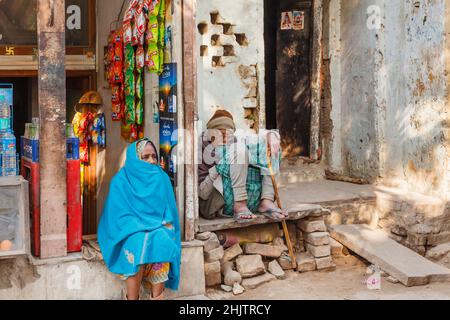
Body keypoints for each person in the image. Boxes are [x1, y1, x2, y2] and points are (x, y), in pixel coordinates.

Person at [98, 138, 181, 300]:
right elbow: (117, 217)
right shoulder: (120, 181)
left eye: (154, 156)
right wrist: (140, 226)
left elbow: (169, 212)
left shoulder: (161, 178)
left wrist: (159, 225)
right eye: (145, 157)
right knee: (137, 242)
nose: (151, 161)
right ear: (135, 159)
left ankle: (157, 297)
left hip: (158, 226)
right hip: (130, 229)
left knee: (162, 239)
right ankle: (132, 297)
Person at [198, 110, 288, 223]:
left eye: (228, 133)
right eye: (219, 132)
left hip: (236, 195)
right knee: (238, 149)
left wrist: (272, 136)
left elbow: (257, 144)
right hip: (214, 200)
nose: (224, 137)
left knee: (270, 148)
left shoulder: (233, 142)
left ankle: (267, 201)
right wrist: (217, 168)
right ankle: (240, 205)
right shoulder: (201, 145)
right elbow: (202, 192)